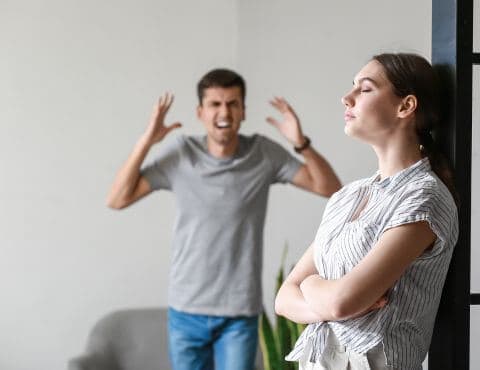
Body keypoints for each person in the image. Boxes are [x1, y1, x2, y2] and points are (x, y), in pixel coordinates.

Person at [106, 68, 342, 370]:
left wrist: (302, 144)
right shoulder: (181, 154)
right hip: (186, 309)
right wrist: (146, 141)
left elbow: (329, 188)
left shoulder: (263, 153)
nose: (224, 112)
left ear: (243, 111)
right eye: (215, 104)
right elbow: (117, 199)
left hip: (239, 312)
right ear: (200, 112)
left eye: (232, 103)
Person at [274, 53, 459, 370]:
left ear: (405, 106)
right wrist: (328, 301)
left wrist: (312, 286)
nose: (347, 98)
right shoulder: (348, 196)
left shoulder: (423, 196)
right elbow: (283, 299)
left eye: (366, 88)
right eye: (353, 87)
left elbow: (340, 300)